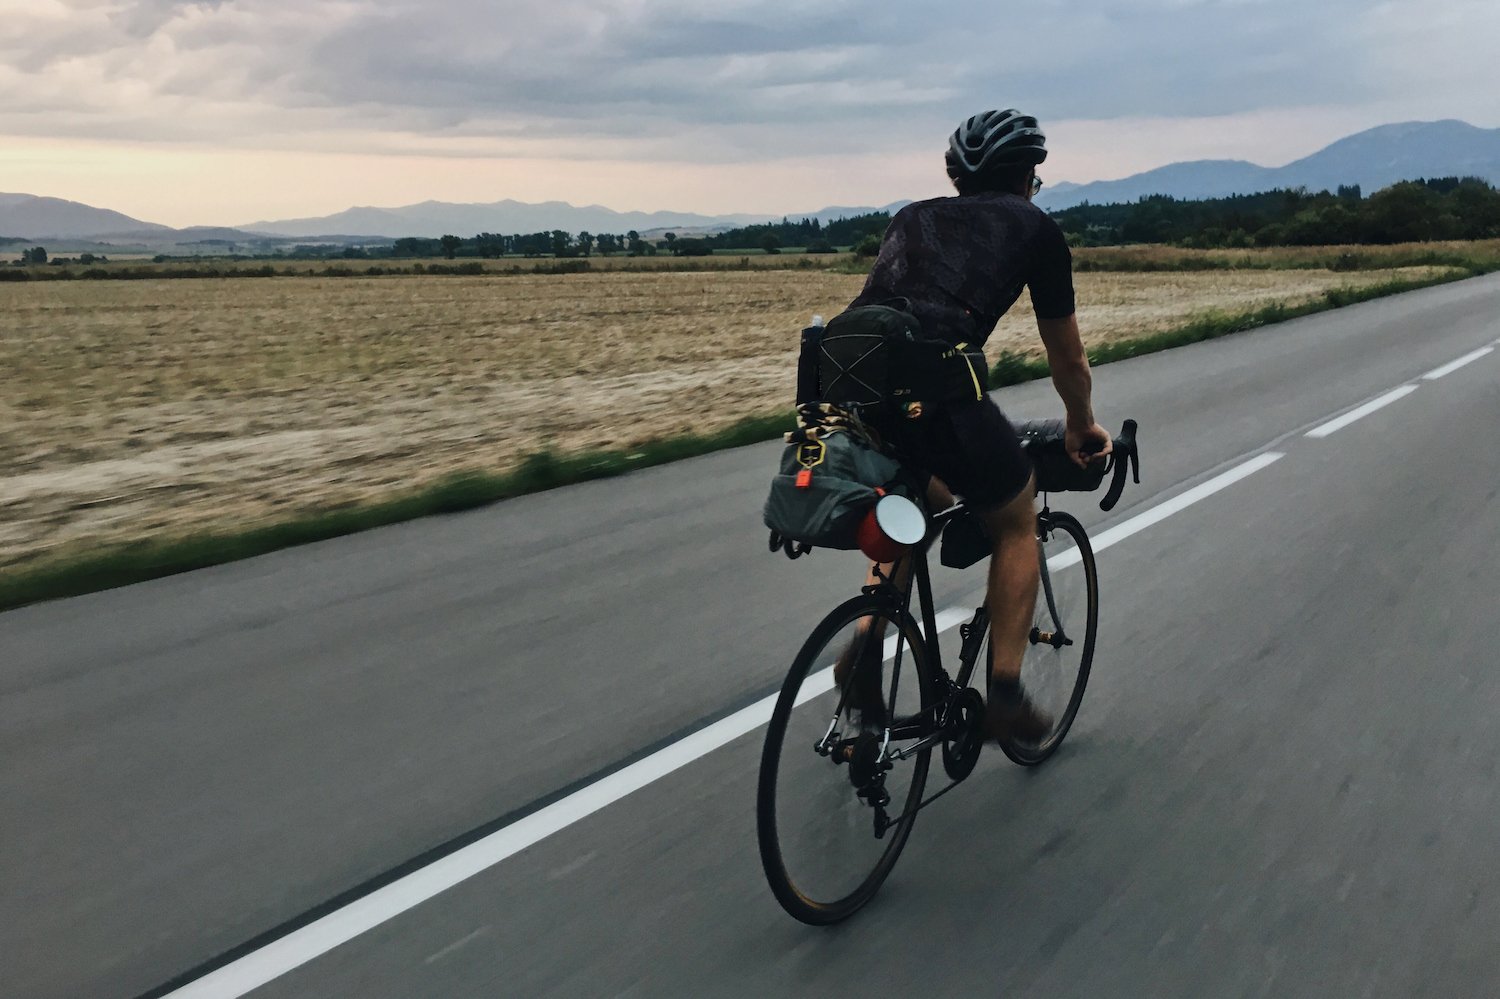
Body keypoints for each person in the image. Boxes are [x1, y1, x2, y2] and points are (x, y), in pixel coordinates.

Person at [839, 108, 1112, 745]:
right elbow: (1067, 356)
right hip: (935, 387)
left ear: (958, 176)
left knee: (919, 499)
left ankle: (865, 643)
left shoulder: (911, 217)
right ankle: (1007, 695)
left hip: (850, 385)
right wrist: (1080, 425)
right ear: (1027, 177)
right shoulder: (1036, 229)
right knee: (1014, 517)